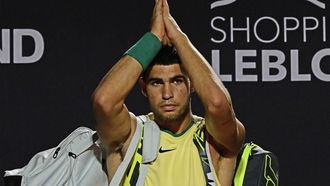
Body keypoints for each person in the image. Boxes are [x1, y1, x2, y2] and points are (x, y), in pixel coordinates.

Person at [92, 0, 245, 185]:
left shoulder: (213, 140)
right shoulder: (130, 135)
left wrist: (178, 37)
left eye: (177, 81)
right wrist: (153, 37)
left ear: (193, 84)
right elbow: (104, 101)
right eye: (157, 83)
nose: (167, 93)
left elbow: (218, 104)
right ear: (143, 87)